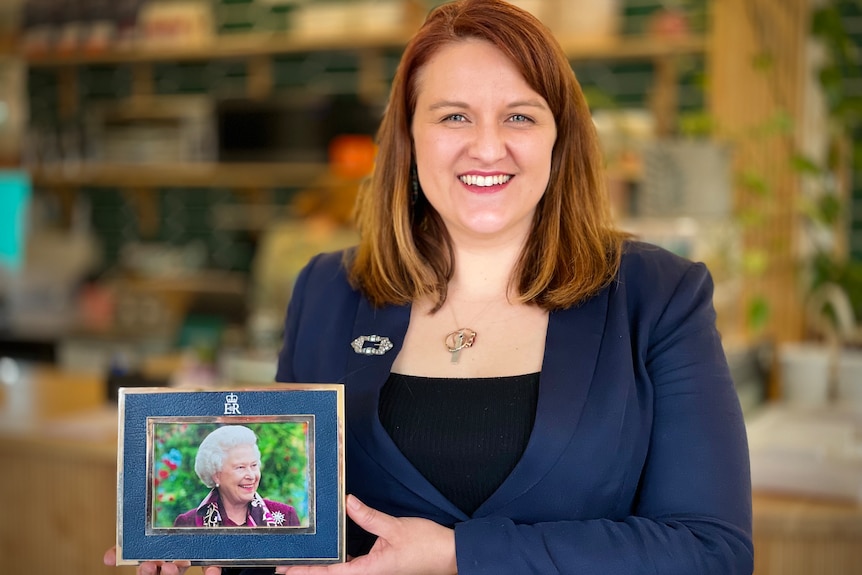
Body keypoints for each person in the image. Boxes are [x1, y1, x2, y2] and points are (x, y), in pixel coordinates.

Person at [105, 0, 752, 573]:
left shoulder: (657, 295)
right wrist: (212, 547)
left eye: (521, 117)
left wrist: (457, 554)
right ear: (409, 140)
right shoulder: (329, 291)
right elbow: (295, 535)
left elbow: (710, 550)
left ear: (560, 139)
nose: (488, 146)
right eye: (454, 117)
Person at [172, 425, 301, 528]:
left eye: (254, 465)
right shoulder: (189, 522)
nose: (251, 475)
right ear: (217, 475)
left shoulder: (286, 517)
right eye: (240, 467)